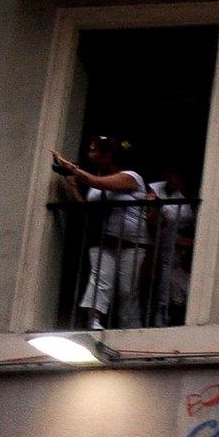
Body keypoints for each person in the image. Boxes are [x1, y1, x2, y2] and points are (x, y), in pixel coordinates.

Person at [52, 136, 149, 329]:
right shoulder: (95, 185)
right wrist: (71, 183)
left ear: (108, 155)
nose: (90, 154)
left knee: (127, 289)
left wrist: (73, 169)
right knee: (100, 280)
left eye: (94, 149)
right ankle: (94, 321)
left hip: (131, 243)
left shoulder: (131, 177)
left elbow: (98, 182)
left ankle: (130, 327)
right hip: (103, 240)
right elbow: (86, 209)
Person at [147, 166, 196, 327]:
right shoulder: (154, 189)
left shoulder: (184, 200)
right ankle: (159, 320)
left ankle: (166, 320)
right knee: (160, 288)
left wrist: (184, 242)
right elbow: (152, 221)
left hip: (175, 253)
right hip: (156, 248)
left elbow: (185, 229)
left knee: (170, 287)